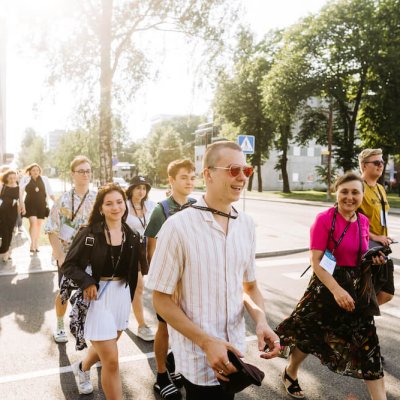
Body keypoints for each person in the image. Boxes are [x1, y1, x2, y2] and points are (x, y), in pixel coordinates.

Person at [147, 142, 280, 400]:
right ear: (208, 174)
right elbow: (161, 299)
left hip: (235, 356)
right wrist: (207, 342)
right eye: (233, 170)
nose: (242, 177)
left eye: (246, 170)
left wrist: (261, 320)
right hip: (199, 359)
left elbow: (249, 287)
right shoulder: (177, 227)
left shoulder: (247, 224)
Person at [275, 172, 387, 400]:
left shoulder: (363, 221)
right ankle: (290, 372)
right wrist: (336, 290)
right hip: (326, 287)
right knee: (309, 335)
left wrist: (374, 259)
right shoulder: (324, 219)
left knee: (369, 347)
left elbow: (359, 256)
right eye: (344, 191)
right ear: (336, 192)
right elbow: (316, 261)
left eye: (355, 192)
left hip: (355, 292)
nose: (349, 197)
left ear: (362, 195)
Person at [61, 183, 141, 397]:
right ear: (100, 208)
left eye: (119, 202)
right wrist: (87, 281)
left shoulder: (132, 234)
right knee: (112, 361)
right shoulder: (89, 233)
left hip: (121, 297)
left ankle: (82, 368)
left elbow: (135, 271)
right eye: (109, 203)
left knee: (106, 347)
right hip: (97, 298)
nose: (116, 207)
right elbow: (68, 265)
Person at [144, 159, 196, 399]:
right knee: (164, 328)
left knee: (187, 326)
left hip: (192, 281)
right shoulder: (161, 210)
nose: (189, 182)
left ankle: (176, 365)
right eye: (184, 177)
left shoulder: (197, 206)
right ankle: (162, 376)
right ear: (171, 180)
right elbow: (152, 251)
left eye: (192, 177)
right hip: (169, 284)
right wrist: (166, 284)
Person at [45, 156, 96, 343]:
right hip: (68, 256)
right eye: (81, 171)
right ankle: (60, 325)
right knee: (64, 292)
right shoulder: (63, 200)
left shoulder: (98, 199)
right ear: (72, 174)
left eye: (88, 171)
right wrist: (60, 256)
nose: (85, 174)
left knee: (91, 291)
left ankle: (88, 326)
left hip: (92, 256)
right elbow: (51, 229)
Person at [358, 148, 395, 306]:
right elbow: (350, 219)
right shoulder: (358, 187)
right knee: (367, 292)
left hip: (381, 245)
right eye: (376, 162)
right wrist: (374, 236)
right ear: (364, 165)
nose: (381, 165)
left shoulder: (380, 188)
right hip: (367, 248)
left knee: (387, 292)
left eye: (382, 162)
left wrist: (383, 236)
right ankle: (359, 316)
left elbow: (380, 216)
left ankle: (360, 316)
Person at [125, 175, 156, 341]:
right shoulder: (124, 205)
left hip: (142, 248)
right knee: (138, 286)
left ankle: (123, 316)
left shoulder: (149, 205)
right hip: (126, 248)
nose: (141, 191)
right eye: (138, 188)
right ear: (131, 189)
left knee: (132, 286)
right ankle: (142, 325)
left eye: (144, 188)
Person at [19, 163, 55, 253]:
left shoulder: (44, 179)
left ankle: (36, 243)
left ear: (39, 171)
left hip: (41, 205)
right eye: (33, 170)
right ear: (30, 171)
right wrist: (22, 204)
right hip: (30, 204)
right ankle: (32, 244)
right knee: (33, 223)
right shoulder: (25, 179)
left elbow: (50, 192)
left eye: (37, 170)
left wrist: (56, 202)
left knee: (38, 225)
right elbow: (20, 192)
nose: (36, 172)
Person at [0, 170, 20, 262]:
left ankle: (6, 251)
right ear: (7, 178)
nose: (12, 180)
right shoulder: (2, 186)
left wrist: (19, 213)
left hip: (13, 212)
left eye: (14, 178)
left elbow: (20, 201)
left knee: (10, 231)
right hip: (2, 212)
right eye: (10, 178)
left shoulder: (19, 187)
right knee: (4, 231)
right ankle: (5, 251)